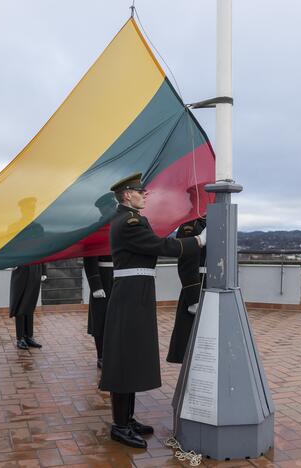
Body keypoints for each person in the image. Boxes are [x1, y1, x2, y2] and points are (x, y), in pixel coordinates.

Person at [99, 173, 206, 449]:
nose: (144, 194)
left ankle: (128, 418)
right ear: (126, 195)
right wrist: (199, 241)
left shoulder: (130, 219)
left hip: (138, 291)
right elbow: (161, 246)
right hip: (131, 295)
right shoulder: (129, 221)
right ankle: (120, 425)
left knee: (132, 356)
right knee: (125, 358)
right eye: (139, 191)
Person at [167, 216, 207, 364]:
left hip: (213, 283)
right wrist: (193, 297)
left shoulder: (215, 221)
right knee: (190, 338)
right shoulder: (189, 226)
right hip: (198, 283)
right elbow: (187, 263)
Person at [83, 255, 113, 368]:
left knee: (118, 319)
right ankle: (101, 356)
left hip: (119, 277)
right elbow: (89, 257)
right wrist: (96, 285)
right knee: (100, 318)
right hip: (102, 279)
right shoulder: (95, 236)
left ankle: (114, 355)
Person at [9, 263, 47, 349]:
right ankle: (20, 338)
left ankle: (29, 337)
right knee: (20, 305)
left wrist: (44, 271)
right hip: (21, 271)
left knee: (30, 304)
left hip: (36, 270)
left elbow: (43, 252)